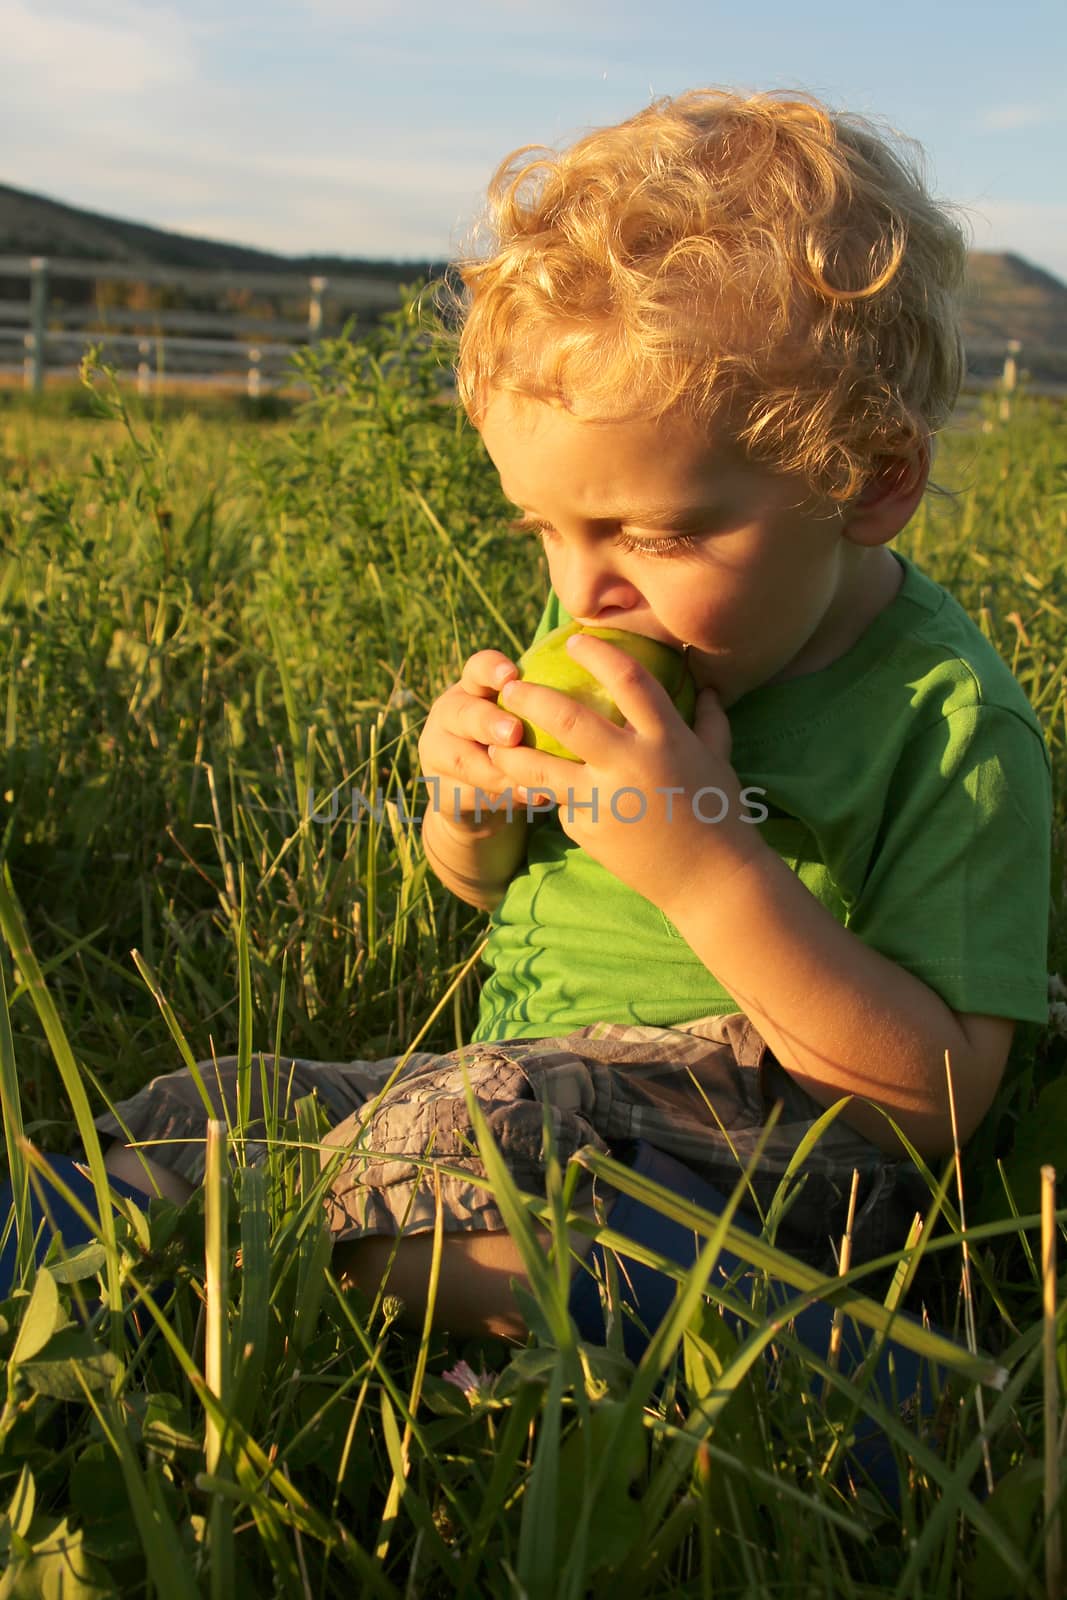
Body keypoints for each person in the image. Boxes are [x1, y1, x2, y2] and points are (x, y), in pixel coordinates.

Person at [8, 91, 1051, 1485]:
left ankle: (849, 1381)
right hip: (527, 1097)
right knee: (215, 1103)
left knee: (424, 1167)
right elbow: (487, 895)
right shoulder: (630, 633)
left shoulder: (946, 717)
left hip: (760, 1145)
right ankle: (109, 1222)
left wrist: (701, 867)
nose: (585, 591)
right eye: (548, 531)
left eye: (657, 533)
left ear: (868, 483)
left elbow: (933, 1097)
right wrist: (470, 814)